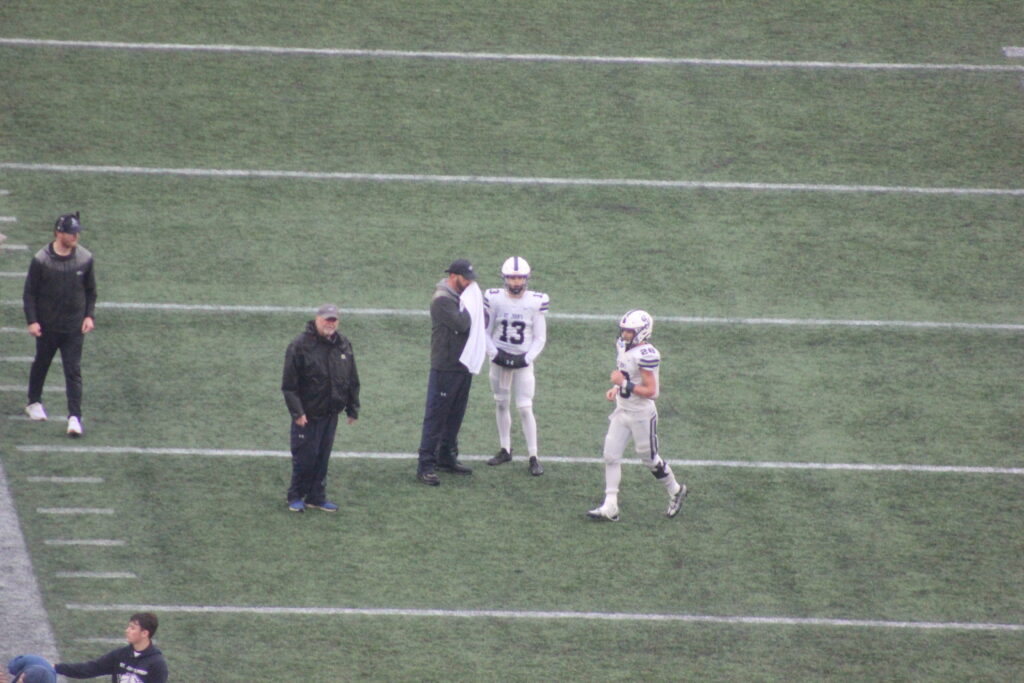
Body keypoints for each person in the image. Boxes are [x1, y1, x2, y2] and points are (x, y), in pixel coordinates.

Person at [588, 310, 688, 522]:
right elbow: (625, 373)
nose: (624, 334)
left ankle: (675, 489)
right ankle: (611, 505)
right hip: (622, 409)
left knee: (649, 458)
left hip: (641, 414)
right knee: (610, 455)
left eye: (629, 331)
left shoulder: (647, 354)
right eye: (623, 330)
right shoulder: (623, 345)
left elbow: (652, 391)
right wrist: (617, 387)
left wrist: (623, 384)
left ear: (642, 332)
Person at [22, 212, 97, 437]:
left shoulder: (85, 258)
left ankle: (74, 417)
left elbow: (91, 291)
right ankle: (33, 402)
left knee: (73, 371)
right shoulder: (41, 259)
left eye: (77, 232)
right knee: (42, 363)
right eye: (71, 232)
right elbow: (30, 293)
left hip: (73, 328)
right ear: (58, 233)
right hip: (48, 325)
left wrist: (89, 316)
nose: (76, 236)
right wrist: (32, 320)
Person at [281, 303, 360, 512]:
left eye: (333, 320)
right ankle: (296, 495)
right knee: (304, 458)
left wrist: (352, 408)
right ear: (317, 319)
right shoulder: (299, 345)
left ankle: (316, 496)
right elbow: (289, 385)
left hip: (330, 413)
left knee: (322, 457)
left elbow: (351, 378)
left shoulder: (343, 344)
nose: (330, 323)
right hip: (308, 415)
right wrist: (298, 412)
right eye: (326, 319)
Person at [416, 259, 485, 485]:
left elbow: (479, 320)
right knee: (436, 417)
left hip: (462, 365)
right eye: (466, 279)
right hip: (445, 367)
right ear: (454, 276)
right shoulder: (442, 301)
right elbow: (463, 324)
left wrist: (473, 306)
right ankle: (425, 465)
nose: (470, 284)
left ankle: (446, 456)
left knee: (455, 415)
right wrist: (474, 307)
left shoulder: (461, 298)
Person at [484, 256, 549, 476]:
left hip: (522, 362)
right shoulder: (494, 299)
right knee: (501, 403)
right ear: (505, 278)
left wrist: (526, 358)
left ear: (526, 278)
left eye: (519, 277)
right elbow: (484, 330)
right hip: (499, 358)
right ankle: (505, 448)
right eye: (512, 277)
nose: (515, 282)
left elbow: (540, 338)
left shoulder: (535, 302)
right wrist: (495, 353)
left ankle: (533, 455)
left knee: (524, 407)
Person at [53, 612, 167, 682]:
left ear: (144, 633)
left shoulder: (157, 663)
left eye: (132, 628)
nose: (127, 631)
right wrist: (57, 668)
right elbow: (90, 669)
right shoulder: (121, 655)